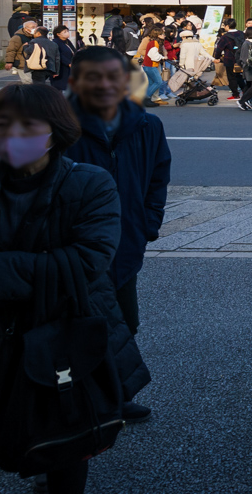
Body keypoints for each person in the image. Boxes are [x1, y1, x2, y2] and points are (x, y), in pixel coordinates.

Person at [0, 84, 150, 493]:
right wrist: (35, 282)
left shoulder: (90, 186)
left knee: (64, 444)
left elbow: (90, 262)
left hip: (61, 336)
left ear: (54, 130)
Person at [61, 45, 169, 422]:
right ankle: (72, 405)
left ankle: (114, 396)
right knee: (72, 329)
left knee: (125, 323)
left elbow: (158, 176)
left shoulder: (146, 124)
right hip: (70, 249)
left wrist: (148, 222)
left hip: (124, 242)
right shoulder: (60, 125)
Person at [214, 17, 245, 100]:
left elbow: (219, 49)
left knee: (231, 77)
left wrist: (217, 58)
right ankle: (245, 92)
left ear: (227, 26)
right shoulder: (241, 33)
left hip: (230, 59)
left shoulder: (225, 37)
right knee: (239, 76)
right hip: (241, 58)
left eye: (224, 25)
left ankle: (235, 94)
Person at [49, 24, 77, 93]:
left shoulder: (67, 41)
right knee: (59, 87)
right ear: (58, 34)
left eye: (67, 31)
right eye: (64, 32)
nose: (67, 33)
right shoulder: (55, 42)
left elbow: (73, 51)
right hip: (61, 67)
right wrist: (68, 63)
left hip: (70, 67)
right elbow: (58, 55)